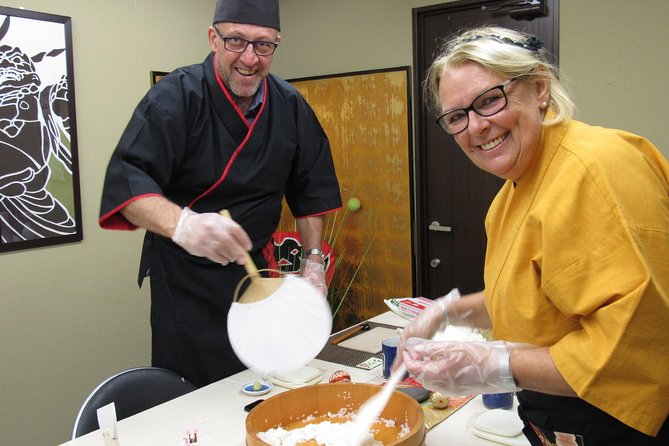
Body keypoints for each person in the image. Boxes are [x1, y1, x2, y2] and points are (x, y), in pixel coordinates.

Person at [395, 26, 669, 445]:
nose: (476, 127)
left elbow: (634, 352)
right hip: (554, 414)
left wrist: (495, 365)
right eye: (456, 116)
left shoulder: (598, 169)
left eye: (489, 100)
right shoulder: (509, 196)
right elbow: (533, 296)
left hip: (620, 422)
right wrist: (448, 312)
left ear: (540, 87)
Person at [98, 0, 341, 388]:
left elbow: (311, 188)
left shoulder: (289, 105)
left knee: (262, 380)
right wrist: (183, 224)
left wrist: (313, 262)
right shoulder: (176, 97)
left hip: (255, 272)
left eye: (263, 45)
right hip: (184, 281)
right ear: (213, 39)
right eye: (236, 41)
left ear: (276, 44)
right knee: (192, 391)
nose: (250, 58)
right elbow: (130, 182)